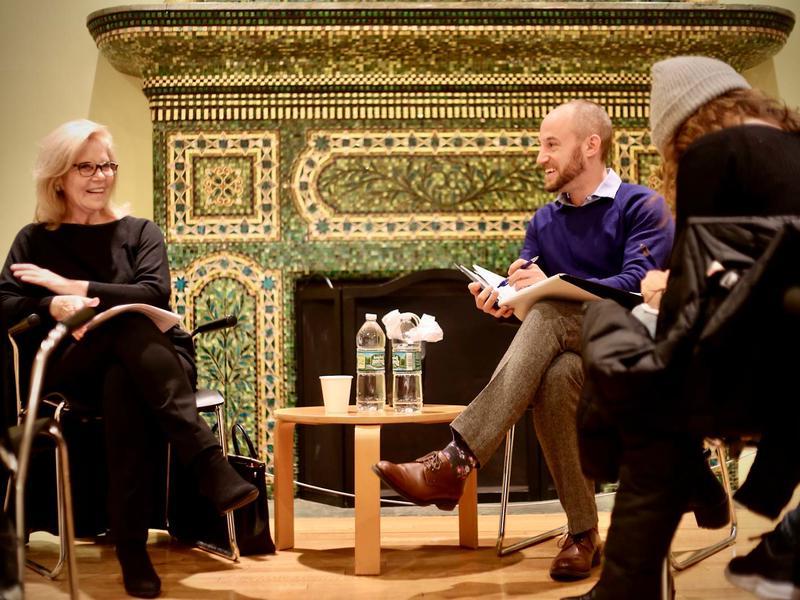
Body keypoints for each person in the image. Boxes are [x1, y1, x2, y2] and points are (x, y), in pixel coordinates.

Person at [373, 99, 675, 582]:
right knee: (554, 376)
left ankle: (457, 459)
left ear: (591, 145)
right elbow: (533, 308)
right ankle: (582, 534)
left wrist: (552, 286)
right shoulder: (544, 222)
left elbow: (640, 289)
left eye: (551, 144)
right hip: (574, 360)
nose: (541, 157)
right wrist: (505, 303)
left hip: (637, 355)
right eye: (541, 146)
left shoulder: (644, 207)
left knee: (555, 309)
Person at [567, 56, 800, 600]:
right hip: (786, 376)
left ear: (681, 127)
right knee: (657, 413)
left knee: (604, 319)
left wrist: (660, 290)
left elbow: (691, 309)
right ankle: (690, 488)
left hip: (749, 381)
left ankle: (631, 554)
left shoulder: (713, 154)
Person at [0, 120, 259, 599]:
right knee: (124, 322)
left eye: (108, 165)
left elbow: (153, 291)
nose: (101, 176)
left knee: (125, 374)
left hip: (149, 365)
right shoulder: (35, 240)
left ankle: (132, 549)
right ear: (60, 176)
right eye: (87, 167)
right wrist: (49, 306)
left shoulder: (139, 232)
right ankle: (206, 460)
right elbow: (5, 303)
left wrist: (71, 288)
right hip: (73, 366)